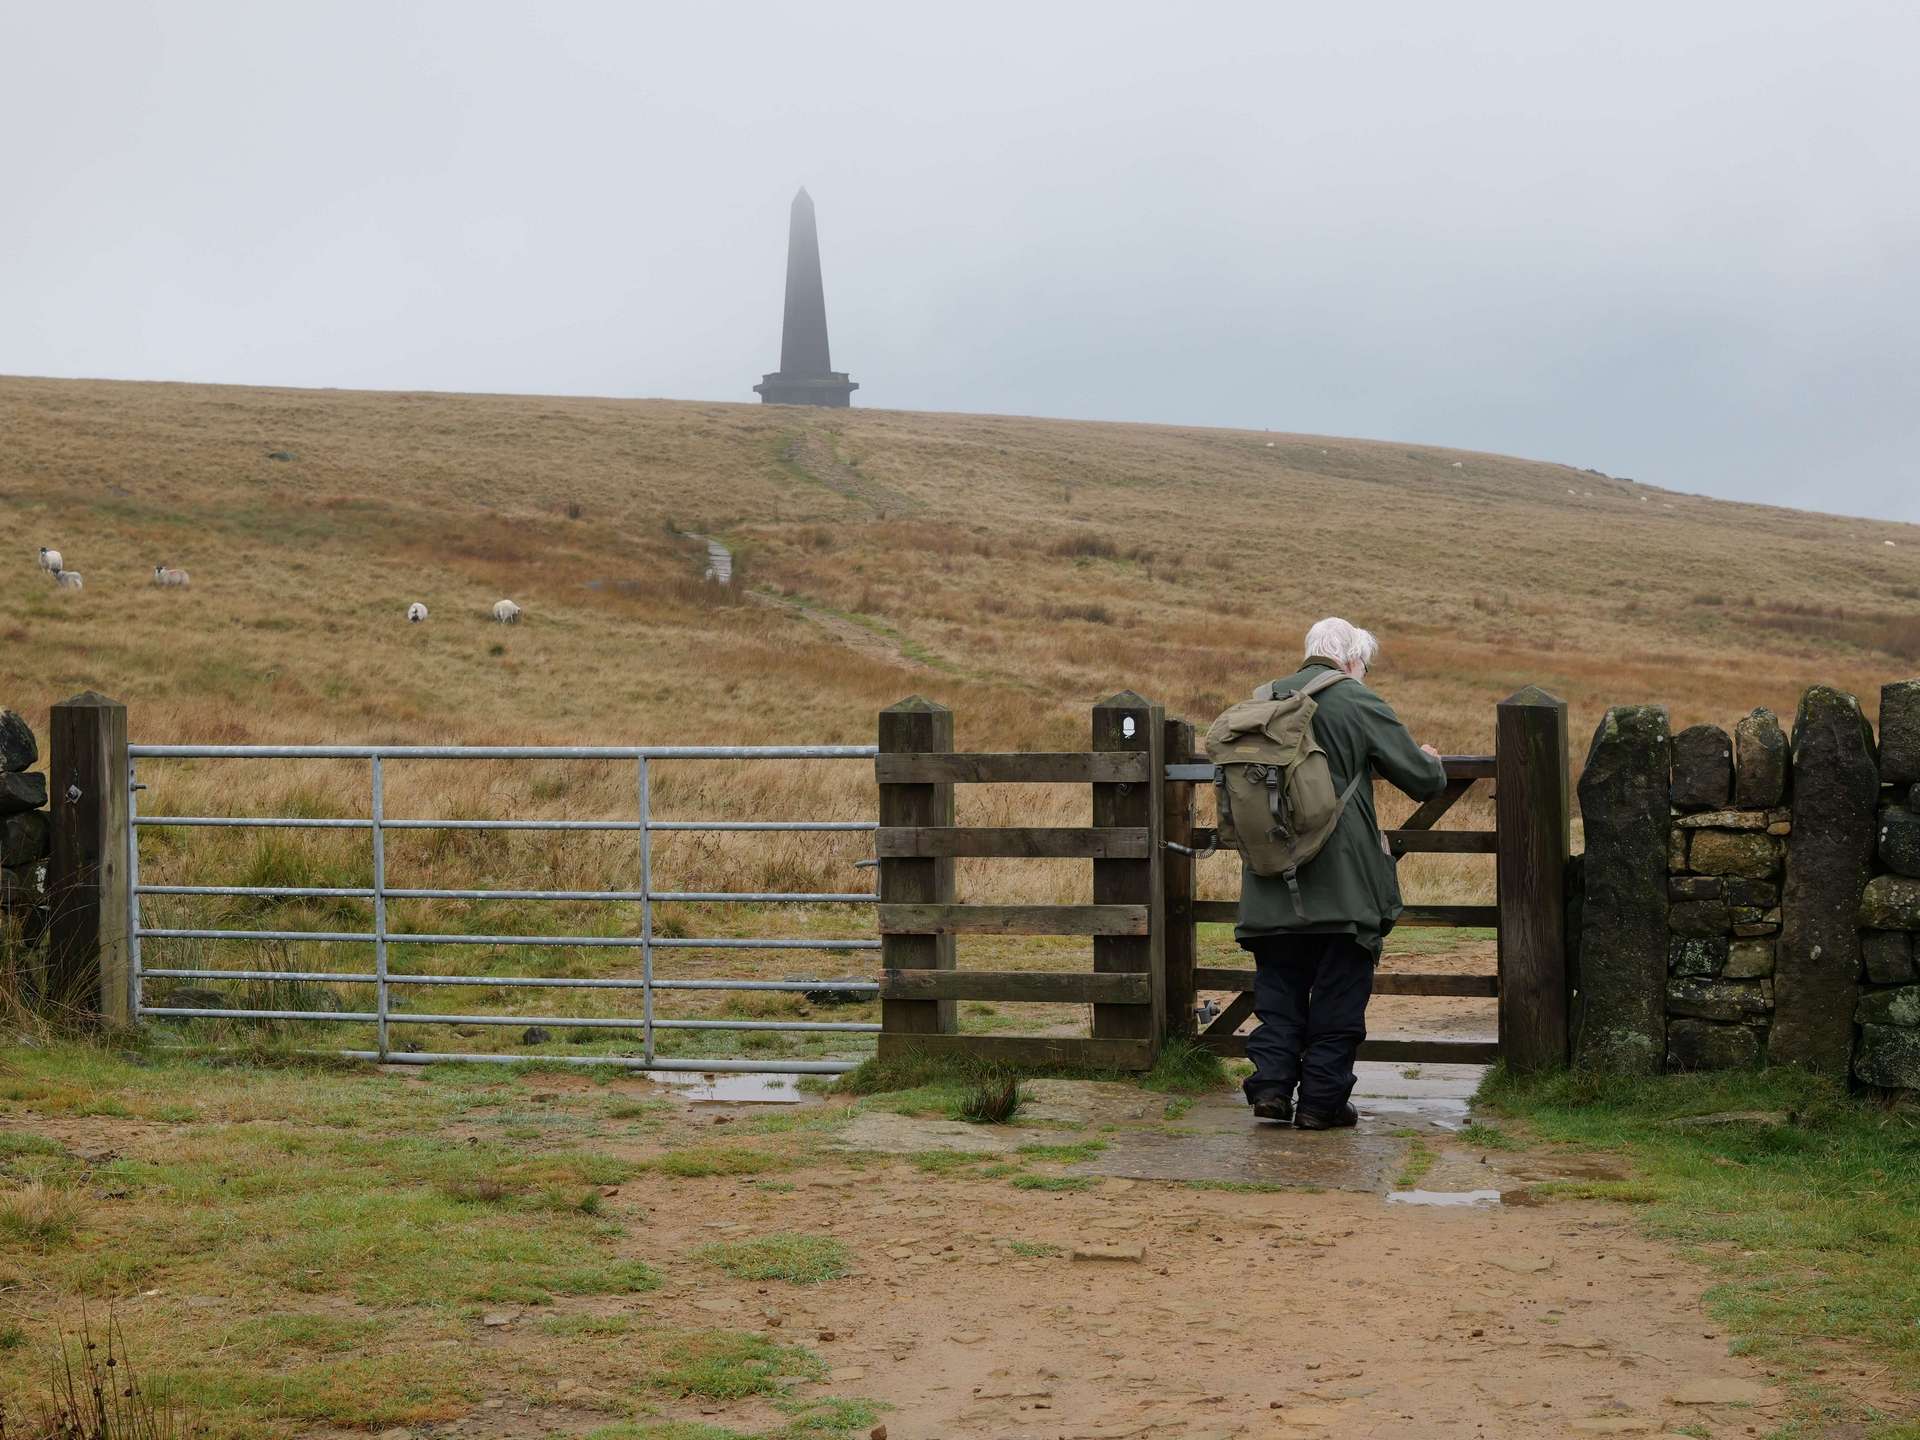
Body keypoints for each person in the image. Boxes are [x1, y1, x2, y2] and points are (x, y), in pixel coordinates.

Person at [1235, 617, 1448, 1130]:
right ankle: (1320, 1103)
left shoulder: (1261, 700)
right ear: (1353, 660)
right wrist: (1431, 762)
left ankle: (1271, 1087)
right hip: (1343, 887)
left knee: (1279, 992)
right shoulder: (1356, 699)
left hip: (1269, 883)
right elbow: (1422, 781)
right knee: (1338, 996)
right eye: (1364, 666)